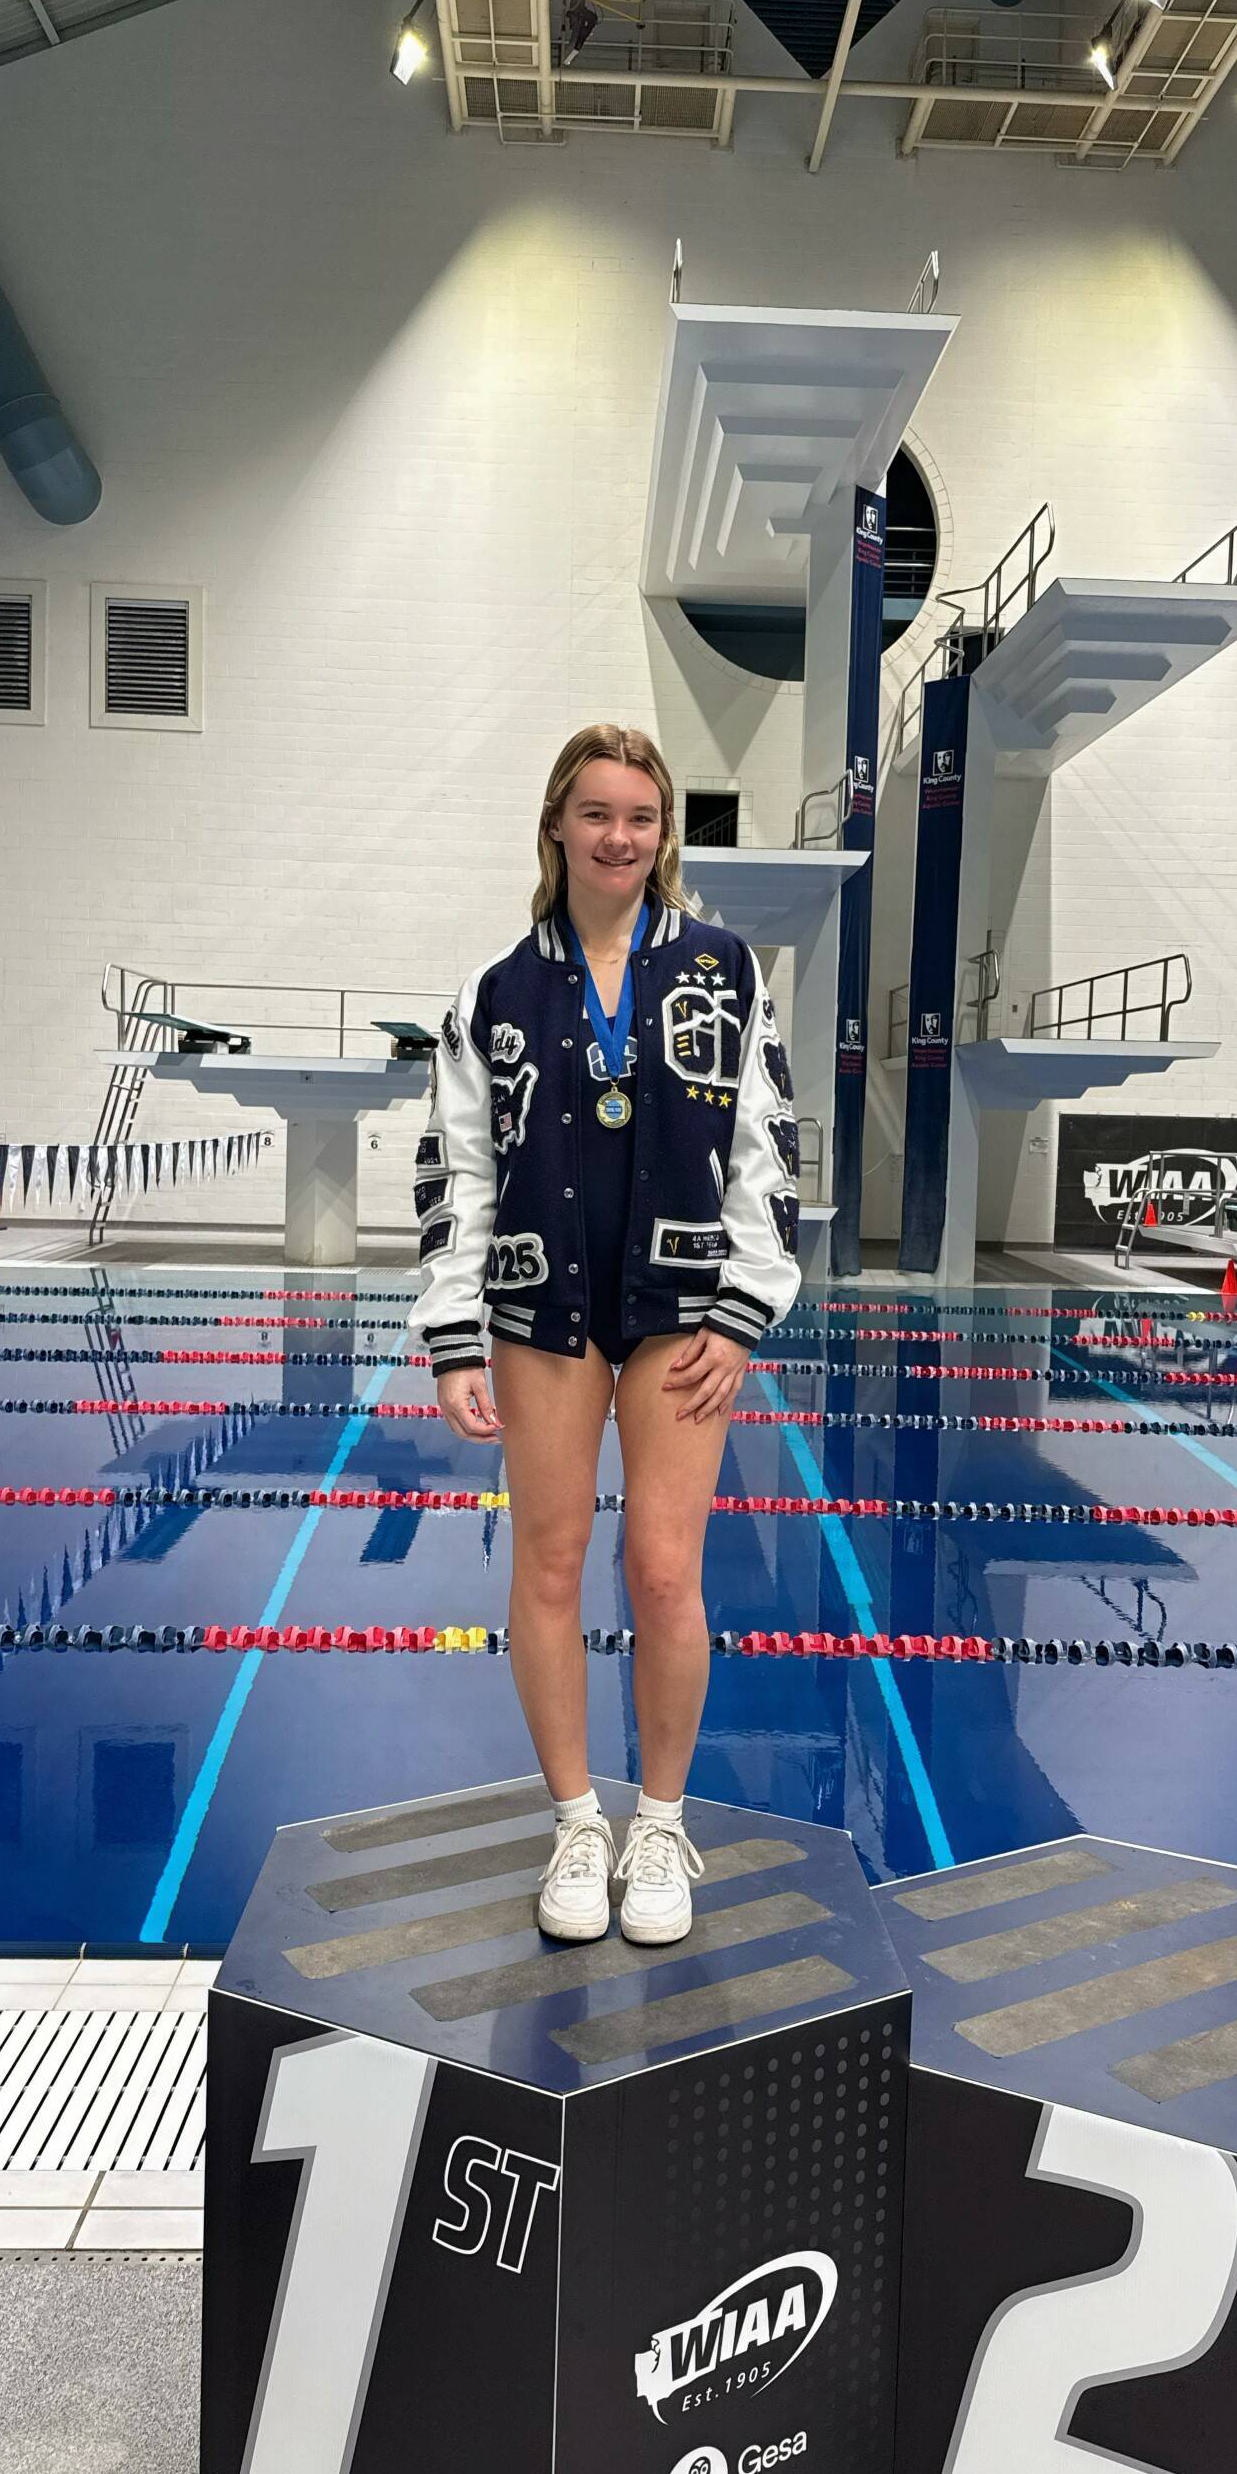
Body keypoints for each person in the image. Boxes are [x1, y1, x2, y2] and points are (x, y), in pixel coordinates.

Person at [411, 722, 802, 1947]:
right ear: (557, 826)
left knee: (667, 1569)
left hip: (681, 1312)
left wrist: (746, 1312)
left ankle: (663, 1822)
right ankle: (580, 1821)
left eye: (639, 816)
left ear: (663, 834)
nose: (618, 836)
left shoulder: (728, 970)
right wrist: (452, 1333)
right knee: (547, 1562)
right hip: (542, 1308)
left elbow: (768, 1150)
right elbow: (455, 1170)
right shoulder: (495, 990)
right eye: (596, 813)